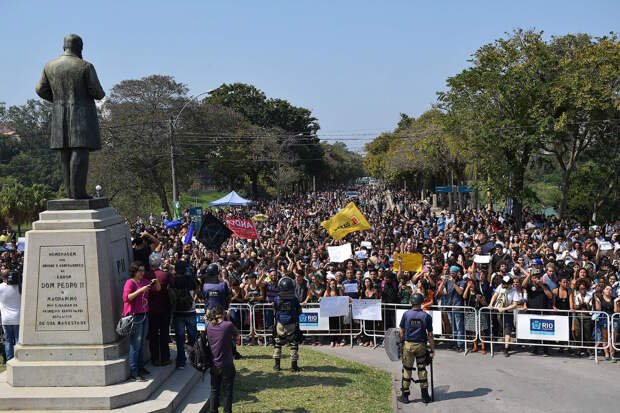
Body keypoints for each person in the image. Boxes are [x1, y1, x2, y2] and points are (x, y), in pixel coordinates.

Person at [35, 34, 105, 199]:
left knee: (64, 151)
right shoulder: (85, 66)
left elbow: (40, 89)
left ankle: (70, 192)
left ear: (63, 47)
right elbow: (98, 93)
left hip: (59, 114)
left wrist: (57, 99)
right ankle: (78, 193)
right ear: (80, 48)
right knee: (79, 149)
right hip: (81, 114)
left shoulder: (49, 66)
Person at [122, 261, 159, 381]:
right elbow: (126, 298)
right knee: (135, 345)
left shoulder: (144, 282)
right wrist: (140, 291)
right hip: (135, 316)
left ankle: (141, 367)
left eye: (143, 270)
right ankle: (134, 371)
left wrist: (156, 282)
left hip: (144, 315)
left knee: (142, 343)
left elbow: (157, 289)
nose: (142, 273)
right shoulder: (130, 282)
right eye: (140, 270)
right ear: (134, 271)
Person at [398, 293, 434, 405]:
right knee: (422, 369)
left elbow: (401, 331)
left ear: (411, 302)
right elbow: (430, 335)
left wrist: (401, 343)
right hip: (421, 345)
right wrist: (432, 350)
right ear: (421, 302)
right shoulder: (426, 316)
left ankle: (405, 396)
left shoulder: (406, 314)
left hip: (408, 345)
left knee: (407, 369)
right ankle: (425, 396)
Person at [206, 304, 239, 413]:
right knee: (227, 391)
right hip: (227, 364)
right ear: (223, 314)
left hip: (214, 363)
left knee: (214, 390)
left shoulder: (209, 326)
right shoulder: (227, 325)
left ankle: (213, 411)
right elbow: (237, 335)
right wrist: (228, 318)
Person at [145, 253, 172, 366]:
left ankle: (155, 359)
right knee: (164, 335)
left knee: (153, 336)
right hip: (164, 308)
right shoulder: (166, 275)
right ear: (160, 262)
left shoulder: (146, 275)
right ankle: (165, 358)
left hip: (151, 310)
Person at [170, 260, 198, 369]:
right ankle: (194, 358)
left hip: (178, 312)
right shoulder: (191, 280)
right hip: (190, 311)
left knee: (180, 338)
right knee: (192, 336)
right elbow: (196, 291)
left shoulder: (173, 281)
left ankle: (181, 361)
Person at [273, 276, 303, 372]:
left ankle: (277, 366)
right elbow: (299, 310)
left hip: (280, 324)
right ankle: (294, 366)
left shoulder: (277, 298)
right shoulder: (293, 298)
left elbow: (275, 309)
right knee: (293, 344)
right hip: (291, 324)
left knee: (278, 343)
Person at [0, 269, 21, 362]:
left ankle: (9, 360)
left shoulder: (1, 287)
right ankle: (18, 359)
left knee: (8, 341)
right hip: (18, 318)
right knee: (18, 340)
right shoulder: (20, 287)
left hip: (6, 318)